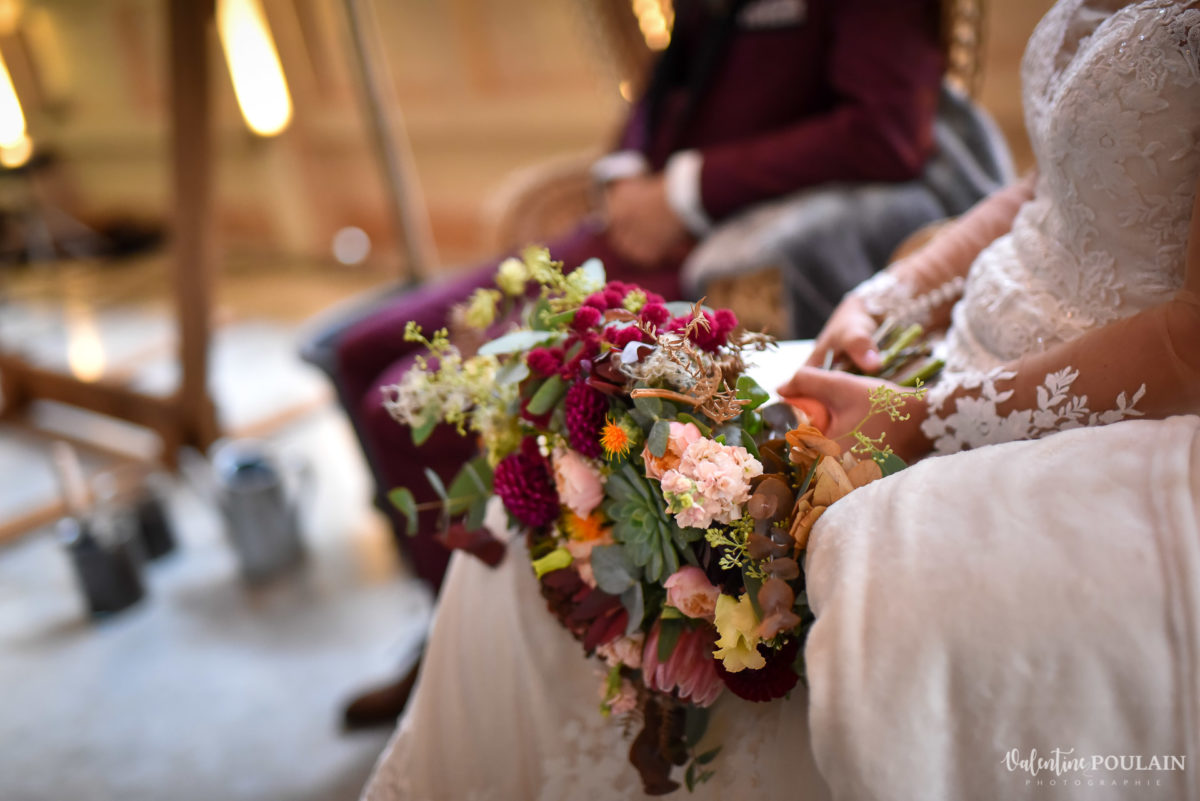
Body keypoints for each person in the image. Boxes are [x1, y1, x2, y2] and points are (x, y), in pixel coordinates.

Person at [360, 2, 1200, 797]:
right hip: (950, 347)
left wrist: (935, 418)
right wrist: (884, 293)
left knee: (819, 571)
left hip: (1114, 411)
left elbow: (1189, 340)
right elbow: (1040, 188)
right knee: (546, 498)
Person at [338, 0, 945, 727]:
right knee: (359, 351)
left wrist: (685, 190)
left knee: (398, 406)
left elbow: (887, 130)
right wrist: (630, 170)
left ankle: (461, 662)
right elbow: (674, 76)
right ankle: (440, 607)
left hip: (728, 245)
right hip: (634, 223)